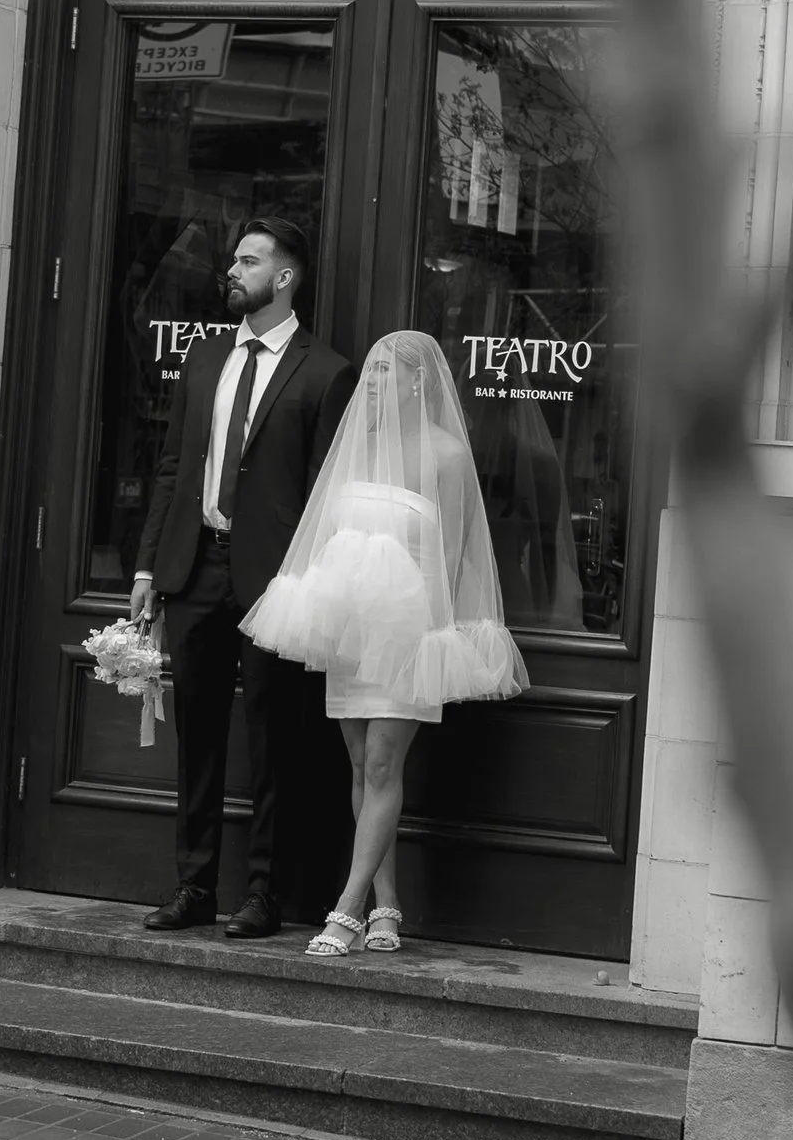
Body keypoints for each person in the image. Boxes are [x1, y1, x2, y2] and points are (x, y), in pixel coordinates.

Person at [242, 329, 527, 956]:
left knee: (380, 764)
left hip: (409, 631)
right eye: (369, 373)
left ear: (417, 381)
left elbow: (457, 559)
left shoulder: (448, 456)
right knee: (359, 765)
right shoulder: (358, 449)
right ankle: (387, 905)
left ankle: (345, 908)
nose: (370, 384)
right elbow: (323, 533)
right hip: (350, 627)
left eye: (383, 375)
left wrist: (435, 639)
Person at [130, 214, 352, 938]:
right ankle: (192, 886)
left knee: (274, 739)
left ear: (284, 278)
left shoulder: (324, 371)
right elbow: (173, 468)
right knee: (198, 735)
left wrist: (314, 583)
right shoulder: (203, 361)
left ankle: (264, 893)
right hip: (196, 569)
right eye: (234, 258)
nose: (233, 269)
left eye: (249, 260)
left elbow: (326, 492)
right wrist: (147, 564)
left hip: (275, 580)